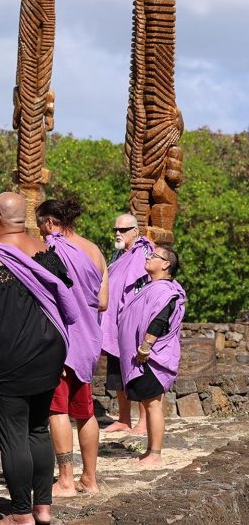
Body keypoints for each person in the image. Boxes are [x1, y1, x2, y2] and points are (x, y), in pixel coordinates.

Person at [0, 192, 77, 525]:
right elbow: (65, 303)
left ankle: (21, 513)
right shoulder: (46, 254)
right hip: (49, 355)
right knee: (38, 429)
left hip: (7, 359)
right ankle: (44, 509)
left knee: (13, 435)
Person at [36, 199, 108, 496]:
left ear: (51, 223)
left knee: (58, 410)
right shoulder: (95, 251)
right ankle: (89, 479)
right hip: (89, 340)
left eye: (41, 226)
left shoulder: (51, 251)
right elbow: (102, 302)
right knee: (86, 412)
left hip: (63, 341)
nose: (40, 233)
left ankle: (65, 479)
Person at [117, 245, 185, 467]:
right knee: (149, 404)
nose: (148, 257)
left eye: (153, 255)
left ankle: (155, 454)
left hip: (151, 357)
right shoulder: (151, 287)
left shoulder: (165, 291)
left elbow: (159, 320)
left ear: (166, 264)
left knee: (153, 405)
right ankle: (149, 451)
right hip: (143, 356)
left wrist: (146, 347)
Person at [103, 214, 154, 434]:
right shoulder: (116, 253)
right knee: (116, 373)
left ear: (135, 231)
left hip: (135, 322)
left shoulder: (145, 251)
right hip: (114, 323)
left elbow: (149, 282)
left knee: (137, 370)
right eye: (115, 229)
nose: (118, 233)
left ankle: (143, 420)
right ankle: (124, 418)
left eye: (123, 230)